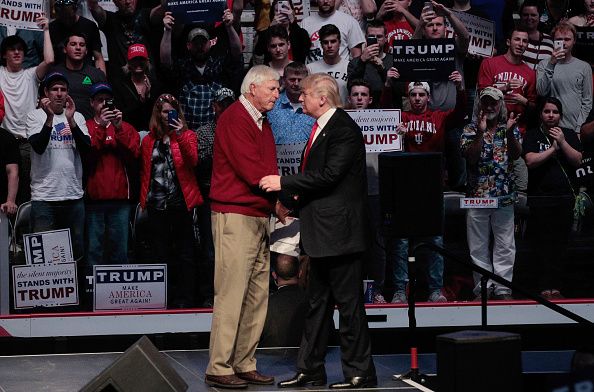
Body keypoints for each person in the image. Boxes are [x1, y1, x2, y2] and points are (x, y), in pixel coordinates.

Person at [260, 73, 377, 389]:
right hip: (321, 232)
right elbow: (321, 180)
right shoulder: (322, 129)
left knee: (349, 306)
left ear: (322, 97)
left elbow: (329, 176)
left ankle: (360, 372)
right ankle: (310, 369)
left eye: (306, 94)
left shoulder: (343, 130)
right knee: (316, 304)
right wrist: (293, 203)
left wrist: (282, 182)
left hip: (340, 235)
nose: (300, 98)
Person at [205, 65, 280, 389]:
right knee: (232, 293)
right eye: (272, 88)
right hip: (236, 216)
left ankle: (244, 362)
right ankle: (219, 366)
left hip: (258, 215)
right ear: (253, 88)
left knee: (256, 296)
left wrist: (277, 205)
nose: (277, 94)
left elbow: (269, 167)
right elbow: (253, 170)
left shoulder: (262, 121)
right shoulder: (235, 117)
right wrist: (284, 197)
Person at [139, 93, 202, 308]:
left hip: (180, 202)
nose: (168, 115)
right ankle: (161, 299)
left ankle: (185, 299)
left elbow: (193, 160)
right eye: (165, 111)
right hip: (156, 204)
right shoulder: (148, 140)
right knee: (160, 254)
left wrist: (181, 134)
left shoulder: (188, 135)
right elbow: (143, 170)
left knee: (185, 253)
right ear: (158, 114)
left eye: (172, 111)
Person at [460, 87, 522, 300]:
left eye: (493, 102)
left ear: (500, 104)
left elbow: (516, 155)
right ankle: (483, 289)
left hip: (504, 196)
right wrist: (480, 131)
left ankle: (504, 288)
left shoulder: (509, 127)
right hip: (477, 196)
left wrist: (511, 134)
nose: (489, 106)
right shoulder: (470, 128)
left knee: (505, 244)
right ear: (479, 104)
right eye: (485, 102)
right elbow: (470, 157)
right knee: (478, 247)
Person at [25, 72, 90, 262]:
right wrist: (49, 118)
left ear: (68, 93)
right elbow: (38, 146)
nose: (59, 93)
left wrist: (70, 121)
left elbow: (86, 149)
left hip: (73, 196)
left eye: (63, 89)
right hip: (44, 197)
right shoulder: (34, 116)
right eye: (55, 89)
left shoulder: (77, 117)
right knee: (44, 257)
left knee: (76, 253)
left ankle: (76, 292)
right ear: (46, 92)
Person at [523, 97, 582, 300]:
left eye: (555, 112)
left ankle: (556, 286)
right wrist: (552, 150)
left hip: (565, 197)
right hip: (540, 198)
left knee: (560, 245)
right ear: (541, 114)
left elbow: (578, 160)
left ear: (560, 115)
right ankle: (542, 286)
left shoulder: (570, 134)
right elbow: (530, 161)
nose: (550, 115)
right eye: (547, 111)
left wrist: (563, 142)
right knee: (541, 245)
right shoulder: (532, 135)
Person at [0, 16, 54, 205]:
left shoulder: (31, 75)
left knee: (30, 190)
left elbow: (49, 60)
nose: (17, 52)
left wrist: (46, 30)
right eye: (12, 49)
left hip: (27, 141)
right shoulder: (0, 73)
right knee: (6, 192)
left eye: (21, 49)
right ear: (4, 54)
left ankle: (27, 233)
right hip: (5, 140)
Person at [85, 82, 139, 266]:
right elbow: (88, 155)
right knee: (94, 250)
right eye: (99, 100)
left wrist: (118, 128)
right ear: (92, 103)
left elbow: (134, 156)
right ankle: (92, 293)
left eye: (108, 100)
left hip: (120, 199)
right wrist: (100, 126)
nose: (104, 104)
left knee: (120, 251)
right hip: (94, 199)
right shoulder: (86, 127)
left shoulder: (125, 127)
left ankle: (119, 292)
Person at [160, 9, 243, 130]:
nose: (199, 47)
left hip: (213, 134)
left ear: (210, 44)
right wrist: (167, 31)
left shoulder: (218, 66)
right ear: (188, 46)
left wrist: (230, 27)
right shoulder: (183, 67)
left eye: (203, 43)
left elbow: (236, 54)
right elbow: (165, 62)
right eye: (195, 43)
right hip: (186, 134)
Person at [194, 87, 236, 308]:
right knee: (210, 249)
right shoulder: (204, 132)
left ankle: (232, 293)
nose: (227, 107)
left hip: (234, 197)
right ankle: (210, 294)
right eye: (223, 104)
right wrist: (220, 149)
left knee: (233, 248)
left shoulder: (241, 130)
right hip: (210, 196)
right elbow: (197, 164)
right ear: (215, 106)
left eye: (230, 103)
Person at [536, 21, 592, 133]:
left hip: (574, 128)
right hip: (549, 128)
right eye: (559, 40)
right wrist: (551, 64)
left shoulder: (584, 67)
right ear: (553, 41)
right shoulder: (543, 64)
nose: (563, 43)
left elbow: (587, 102)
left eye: (567, 39)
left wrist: (579, 127)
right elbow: (541, 92)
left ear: (574, 41)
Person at [49, 32, 107, 119]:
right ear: (65, 49)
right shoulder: (55, 72)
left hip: (90, 126)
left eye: (82, 45)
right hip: (60, 125)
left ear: (86, 51)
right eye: (73, 44)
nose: (78, 48)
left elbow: (105, 102)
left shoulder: (97, 75)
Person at [347, 20, 401, 106]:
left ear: (385, 38)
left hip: (389, 111)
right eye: (372, 37)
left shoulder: (394, 61)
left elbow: (399, 91)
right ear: (366, 37)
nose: (376, 40)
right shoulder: (355, 62)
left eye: (379, 37)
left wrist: (382, 67)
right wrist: (362, 60)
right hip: (363, 112)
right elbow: (350, 87)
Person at [259, 254, 308, 347]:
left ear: (274, 275)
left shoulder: (264, 306)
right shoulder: (315, 303)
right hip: (307, 360)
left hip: (271, 359)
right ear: (300, 273)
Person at [112, 43, 160, 134]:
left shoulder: (155, 85)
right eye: (134, 59)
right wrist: (140, 100)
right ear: (128, 62)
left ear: (147, 61)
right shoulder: (120, 85)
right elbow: (121, 115)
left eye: (141, 59)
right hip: (128, 135)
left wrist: (148, 97)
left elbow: (158, 114)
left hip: (152, 135)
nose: (138, 62)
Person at [50, 0, 105, 73]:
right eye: (64, 17)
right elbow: (49, 60)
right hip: (60, 74)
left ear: (75, 10)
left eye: (69, 17)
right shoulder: (52, 27)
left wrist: (102, 81)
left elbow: (98, 58)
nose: (67, 20)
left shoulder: (89, 26)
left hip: (85, 74)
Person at [300, 0, 364, 63]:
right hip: (313, 72)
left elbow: (356, 56)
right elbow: (300, 54)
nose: (325, 1)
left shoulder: (349, 21)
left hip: (342, 71)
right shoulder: (306, 23)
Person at [267, 61, 315, 144]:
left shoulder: (314, 106)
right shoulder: (272, 104)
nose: (296, 84)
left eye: (300, 80)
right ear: (284, 80)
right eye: (292, 80)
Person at [252, 0, 311, 65]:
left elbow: (306, 48)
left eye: (286, 9)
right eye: (278, 10)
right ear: (273, 14)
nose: (282, 13)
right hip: (271, 71)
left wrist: (293, 21)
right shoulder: (264, 34)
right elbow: (258, 53)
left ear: (292, 12)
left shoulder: (301, 33)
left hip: (295, 71)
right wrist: (271, 27)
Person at [307, 24, 349, 103]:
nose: (329, 46)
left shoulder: (349, 67)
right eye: (325, 42)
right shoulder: (310, 69)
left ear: (339, 43)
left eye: (333, 41)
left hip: (344, 113)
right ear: (321, 44)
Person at [520, 0, 554, 70]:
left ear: (539, 17)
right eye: (525, 15)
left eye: (533, 15)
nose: (529, 18)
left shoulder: (549, 40)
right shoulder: (515, 39)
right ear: (521, 17)